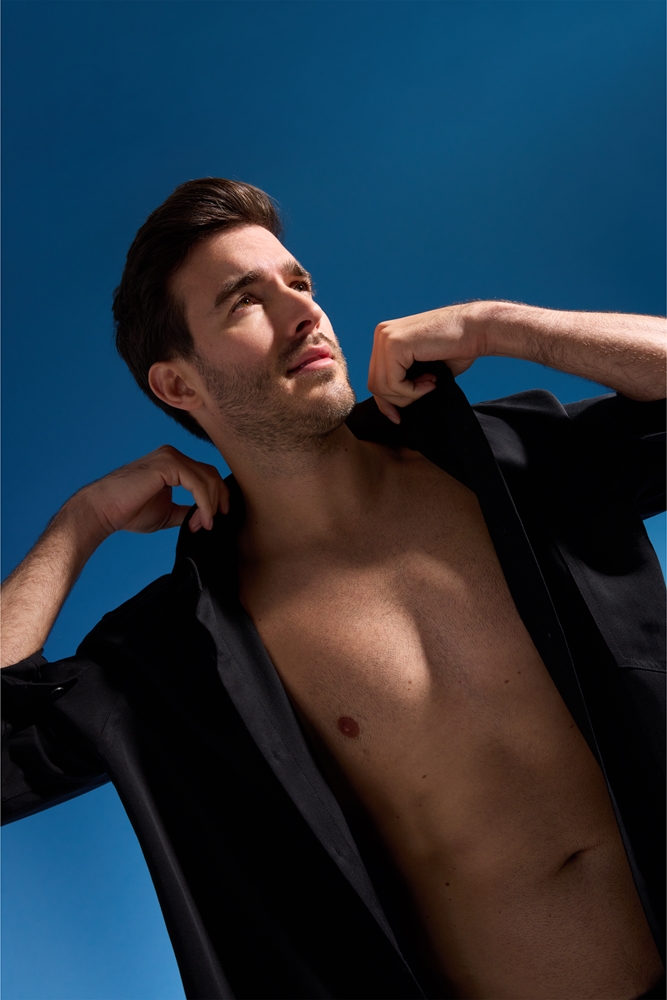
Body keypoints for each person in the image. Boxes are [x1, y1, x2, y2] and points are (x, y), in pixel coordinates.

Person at [1, 178, 665, 1000]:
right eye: (246, 301)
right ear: (177, 386)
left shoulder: (507, 464)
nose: (303, 312)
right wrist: (81, 522)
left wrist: (501, 325)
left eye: (299, 282)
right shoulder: (184, 649)